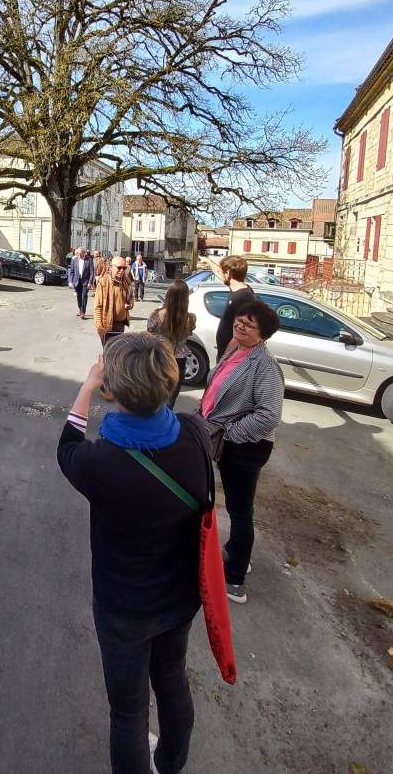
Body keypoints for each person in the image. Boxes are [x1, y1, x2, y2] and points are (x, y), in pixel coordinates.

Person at [57, 333, 210, 774]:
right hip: (179, 598)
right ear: (168, 382)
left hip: (123, 607)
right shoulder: (195, 433)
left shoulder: (99, 463)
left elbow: (67, 444)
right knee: (173, 683)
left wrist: (86, 386)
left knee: (127, 713)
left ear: (112, 390)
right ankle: (171, 763)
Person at [197, 299, 284, 605]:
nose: (240, 325)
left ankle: (235, 580)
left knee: (240, 512)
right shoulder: (237, 349)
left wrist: (232, 434)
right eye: (239, 319)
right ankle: (237, 551)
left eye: (249, 324)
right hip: (221, 438)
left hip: (245, 447)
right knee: (236, 508)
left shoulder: (265, 365)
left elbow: (269, 414)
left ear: (263, 334)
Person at [147, 280, 197, 407]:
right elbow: (191, 330)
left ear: (168, 294)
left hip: (159, 357)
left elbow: (149, 330)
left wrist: (161, 307)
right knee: (170, 398)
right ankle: (165, 422)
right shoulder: (190, 318)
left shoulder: (157, 314)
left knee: (154, 395)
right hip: (178, 360)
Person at [198, 254, 254, 359]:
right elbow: (220, 274)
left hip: (229, 357)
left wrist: (224, 358)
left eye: (223, 272)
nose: (220, 274)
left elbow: (240, 334)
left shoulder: (242, 298)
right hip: (226, 354)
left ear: (228, 274)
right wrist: (208, 261)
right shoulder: (239, 289)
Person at [94, 256, 134, 342]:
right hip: (107, 326)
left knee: (118, 352)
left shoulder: (127, 281)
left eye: (124, 268)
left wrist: (130, 304)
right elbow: (98, 307)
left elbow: (131, 296)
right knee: (109, 353)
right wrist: (99, 328)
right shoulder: (103, 283)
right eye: (119, 268)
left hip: (121, 325)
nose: (122, 271)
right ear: (111, 267)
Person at [68, 247, 94, 319]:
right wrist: (70, 281)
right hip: (77, 281)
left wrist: (90, 282)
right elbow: (72, 272)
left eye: (80, 253)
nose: (79, 255)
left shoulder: (89, 260)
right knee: (79, 296)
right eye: (78, 254)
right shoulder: (74, 260)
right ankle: (80, 309)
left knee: (84, 295)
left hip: (85, 281)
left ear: (84, 253)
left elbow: (91, 272)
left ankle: (83, 312)